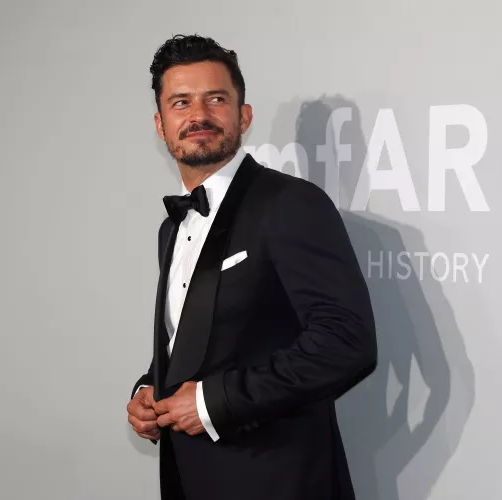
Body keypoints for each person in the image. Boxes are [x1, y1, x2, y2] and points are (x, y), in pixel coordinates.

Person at [125, 34, 377, 500]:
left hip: (280, 481)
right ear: (161, 125)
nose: (198, 115)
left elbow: (346, 342)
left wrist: (213, 401)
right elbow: (198, 338)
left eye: (215, 99)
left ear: (243, 115)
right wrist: (151, 387)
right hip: (192, 480)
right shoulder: (172, 227)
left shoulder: (290, 203)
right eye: (181, 102)